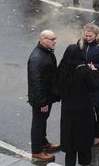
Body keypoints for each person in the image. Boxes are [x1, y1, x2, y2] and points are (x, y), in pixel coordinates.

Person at [57, 44, 96, 166]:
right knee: (84, 143)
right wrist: (93, 72)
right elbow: (93, 87)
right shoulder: (83, 71)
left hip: (68, 111)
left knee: (70, 145)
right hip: (84, 111)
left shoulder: (62, 69)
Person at [27, 30, 60, 162]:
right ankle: (36, 151)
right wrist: (42, 103)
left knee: (43, 120)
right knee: (38, 123)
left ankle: (43, 142)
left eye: (55, 38)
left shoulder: (46, 52)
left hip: (47, 96)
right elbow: (36, 82)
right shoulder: (37, 58)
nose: (55, 41)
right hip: (41, 99)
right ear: (43, 40)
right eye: (52, 39)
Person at [78, 24, 99, 147]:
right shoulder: (81, 43)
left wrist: (95, 67)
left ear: (97, 35)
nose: (88, 38)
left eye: (90, 36)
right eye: (86, 36)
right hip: (85, 81)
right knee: (87, 108)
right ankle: (90, 132)